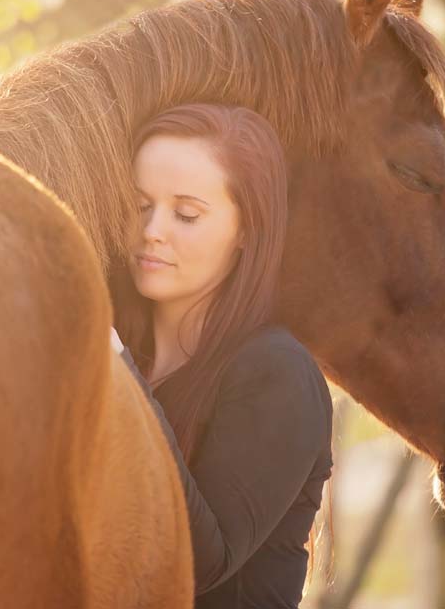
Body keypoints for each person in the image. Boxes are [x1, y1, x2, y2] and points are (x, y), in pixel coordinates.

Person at [110, 103, 333, 608]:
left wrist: (113, 370)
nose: (152, 230)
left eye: (186, 214)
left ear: (247, 232)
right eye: (139, 204)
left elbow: (196, 564)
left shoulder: (279, 374)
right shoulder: (125, 348)